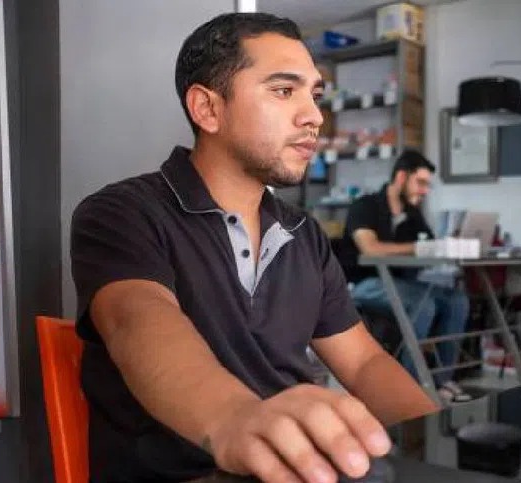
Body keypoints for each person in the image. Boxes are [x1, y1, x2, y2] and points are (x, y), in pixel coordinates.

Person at [70, 13, 437, 483]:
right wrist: (235, 418)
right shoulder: (123, 213)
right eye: (284, 91)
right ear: (208, 109)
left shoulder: (304, 235)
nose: (314, 116)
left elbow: (365, 362)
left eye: (315, 95)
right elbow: (137, 321)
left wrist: (434, 456)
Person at [339, 150, 473, 403]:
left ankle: (443, 380)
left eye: (427, 185)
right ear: (401, 177)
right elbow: (371, 249)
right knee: (424, 304)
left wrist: (448, 245)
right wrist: (418, 247)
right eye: (420, 183)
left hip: (400, 284)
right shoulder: (364, 206)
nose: (425, 191)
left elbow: (429, 246)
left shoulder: (413, 214)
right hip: (360, 284)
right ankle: (410, 385)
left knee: (457, 300)